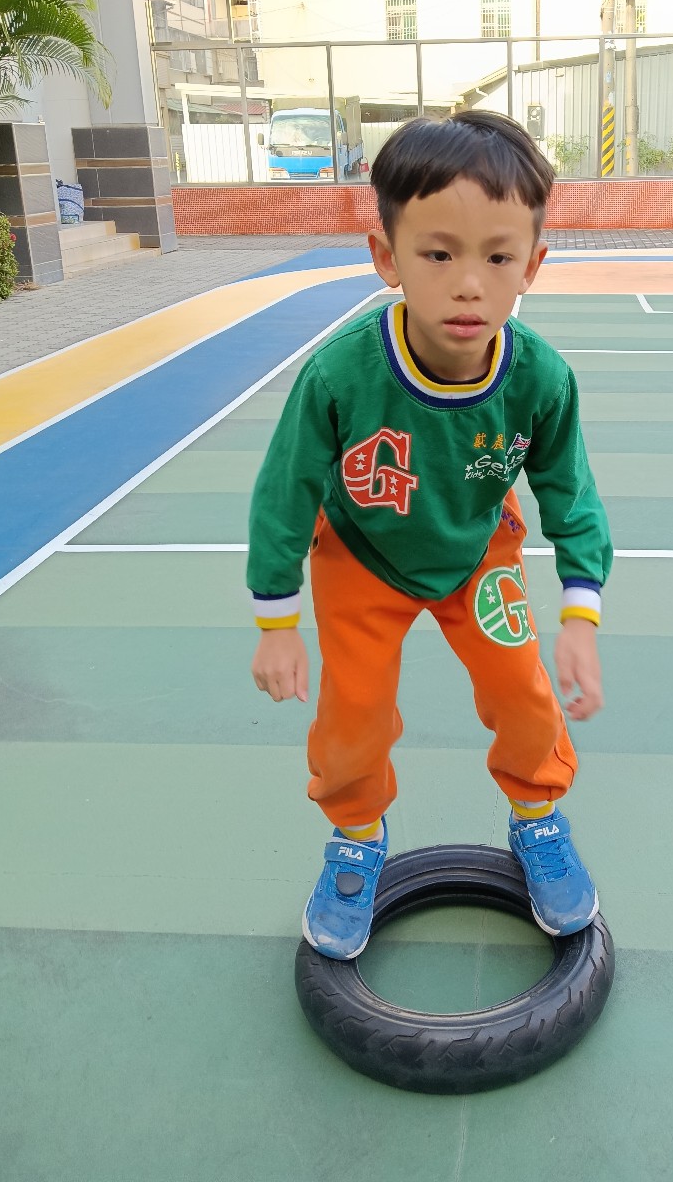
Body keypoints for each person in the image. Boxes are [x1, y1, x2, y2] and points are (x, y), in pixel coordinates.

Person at [247, 111, 613, 960]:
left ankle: (536, 816)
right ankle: (356, 836)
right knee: (353, 716)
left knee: (524, 696)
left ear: (533, 265)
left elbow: (571, 494)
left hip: (476, 552)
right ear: (387, 257)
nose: (469, 285)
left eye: (498, 258)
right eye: (438, 255)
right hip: (361, 557)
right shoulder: (340, 373)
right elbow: (283, 493)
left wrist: (581, 615)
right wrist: (276, 623)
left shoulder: (540, 379)